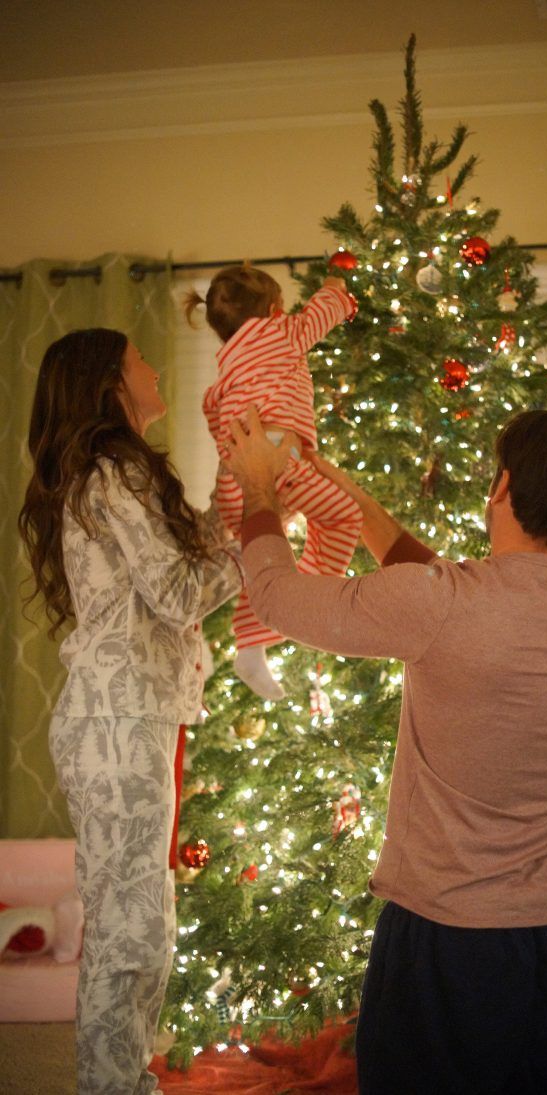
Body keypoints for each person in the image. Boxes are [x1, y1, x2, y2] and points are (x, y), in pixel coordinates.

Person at [223, 405, 547, 1095]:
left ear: (500, 487)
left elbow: (279, 598)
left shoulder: (444, 605)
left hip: (451, 941)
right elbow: (450, 590)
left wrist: (259, 489)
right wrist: (346, 492)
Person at [18, 328, 244, 1095]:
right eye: (141, 358)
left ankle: (121, 1083)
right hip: (115, 725)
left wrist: (237, 499)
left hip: (131, 720)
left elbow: (177, 573)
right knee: (129, 931)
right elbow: (181, 594)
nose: (153, 367)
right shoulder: (112, 470)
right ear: (114, 381)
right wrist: (262, 538)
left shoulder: (117, 473)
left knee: (141, 925)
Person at [184, 263, 362, 700]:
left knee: (260, 556)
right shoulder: (280, 333)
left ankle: (251, 646)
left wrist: (234, 471)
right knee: (343, 516)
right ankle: (311, 603)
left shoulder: (226, 368)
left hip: (236, 477)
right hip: (278, 460)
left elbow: (213, 415)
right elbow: (324, 311)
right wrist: (337, 287)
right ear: (274, 309)